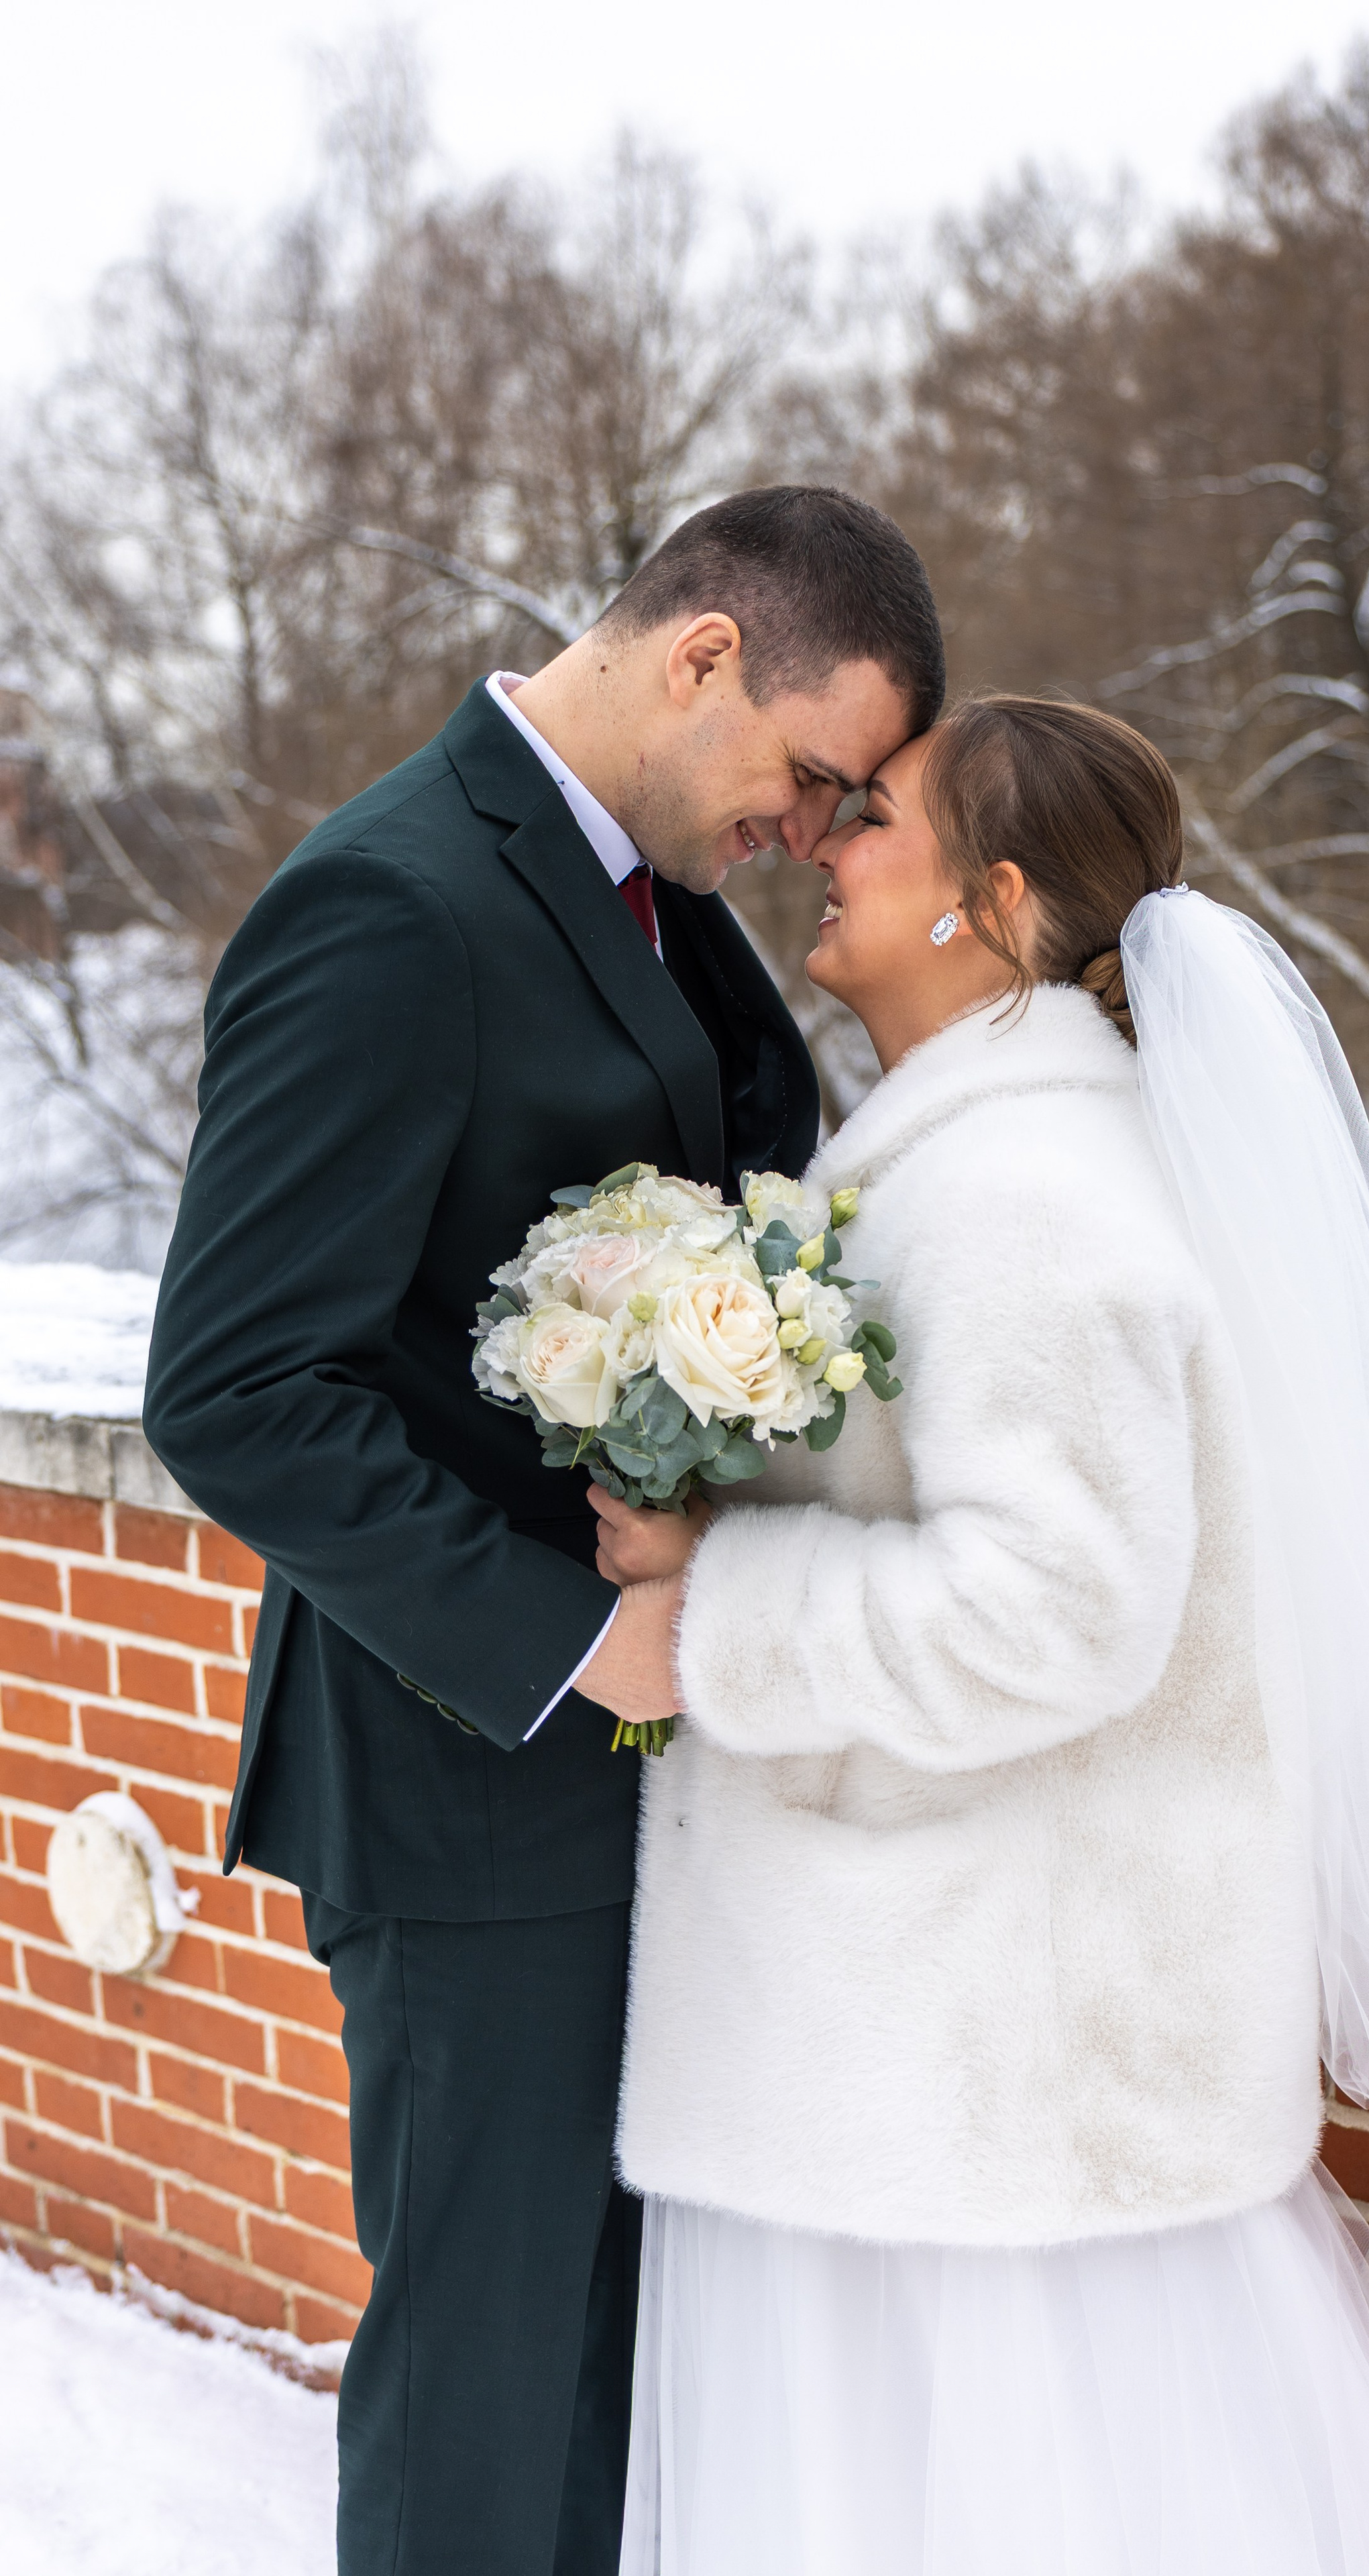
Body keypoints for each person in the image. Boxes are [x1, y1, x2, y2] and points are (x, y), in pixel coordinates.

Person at [585, 696, 1369, 2575]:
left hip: (976, 2086)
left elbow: (1057, 1610)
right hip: (939, 2054)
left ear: (994, 897)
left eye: (875, 817)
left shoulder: (1027, 1193)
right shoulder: (975, 1161)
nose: (824, 841)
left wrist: (719, 1613)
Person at [142, 486, 945, 2576]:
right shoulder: (393, 903)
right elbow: (235, 1388)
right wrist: (583, 1647)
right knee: (489, 2413)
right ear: (701, 661)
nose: (810, 828)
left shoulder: (649, 892)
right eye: (811, 772)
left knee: (614, 2392)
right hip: (467, 1781)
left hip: (641, 1786)